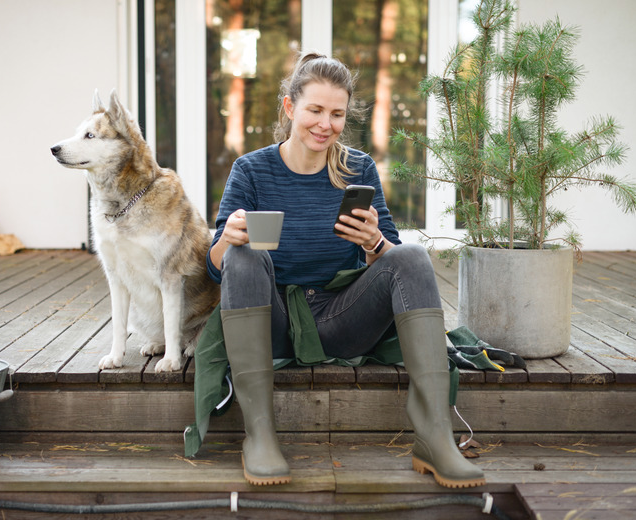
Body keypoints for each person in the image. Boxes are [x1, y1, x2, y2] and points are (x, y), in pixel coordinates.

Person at [206, 52, 485, 488]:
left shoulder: (357, 168)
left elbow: (391, 259)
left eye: (337, 114)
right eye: (315, 110)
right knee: (242, 255)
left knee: (411, 255)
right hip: (271, 323)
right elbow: (216, 268)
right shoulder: (252, 170)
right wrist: (228, 239)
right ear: (289, 107)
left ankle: (435, 438)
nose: (325, 124)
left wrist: (374, 242)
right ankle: (259, 436)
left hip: (340, 320)